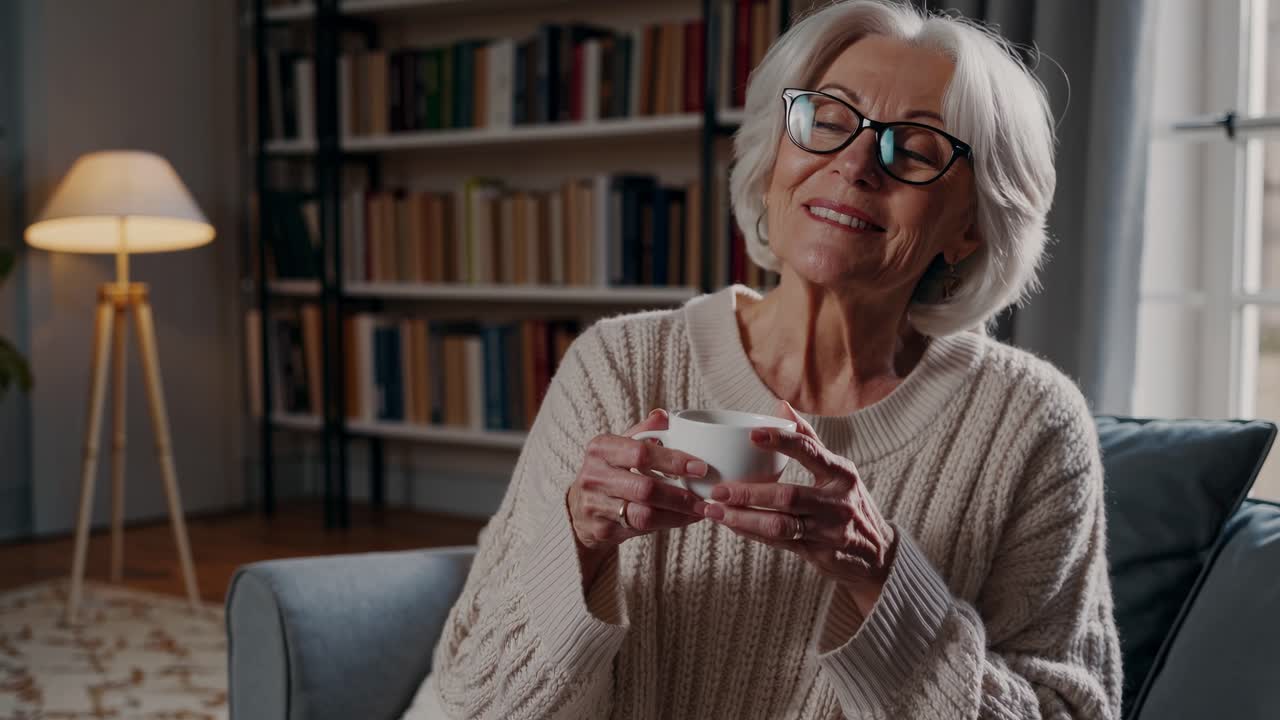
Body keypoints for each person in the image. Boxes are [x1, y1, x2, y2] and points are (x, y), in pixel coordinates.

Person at [404, 1, 1122, 717]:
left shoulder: (1030, 424)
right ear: (777, 153)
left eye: (916, 148)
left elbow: (1069, 712)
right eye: (829, 119)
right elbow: (479, 695)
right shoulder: (618, 365)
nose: (855, 163)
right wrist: (579, 548)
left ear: (970, 226)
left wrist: (883, 578)